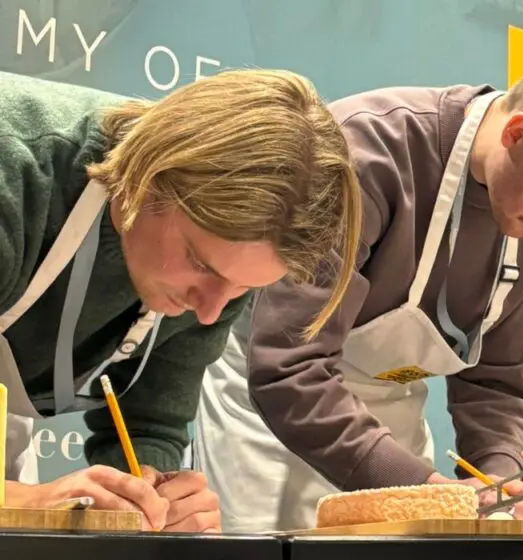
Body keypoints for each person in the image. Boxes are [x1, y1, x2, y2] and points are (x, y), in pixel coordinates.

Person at [191, 56, 523, 532]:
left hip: (392, 428)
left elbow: (501, 381)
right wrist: (416, 485)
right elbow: (287, 365)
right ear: (517, 133)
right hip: (271, 428)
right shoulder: (365, 155)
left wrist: (496, 484)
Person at [0, 68, 362, 533]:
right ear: (151, 179)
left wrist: (153, 498)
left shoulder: (217, 285)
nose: (211, 310)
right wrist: (28, 502)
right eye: (202, 264)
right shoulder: (16, 171)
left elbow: (149, 425)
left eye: (241, 289)